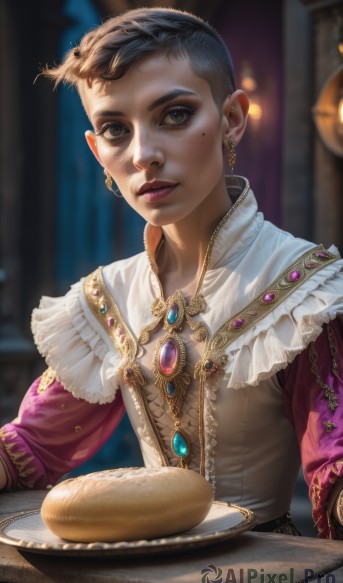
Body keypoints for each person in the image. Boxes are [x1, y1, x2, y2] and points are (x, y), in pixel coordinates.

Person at [0, 7, 342, 540]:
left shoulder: (302, 286)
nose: (144, 155)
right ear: (95, 149)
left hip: (264, 577)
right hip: (139, 575)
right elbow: (33, 445)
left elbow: (334, 461)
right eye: (114, 128)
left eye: (175, 115)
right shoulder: (105, 298)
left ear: (231, 118)